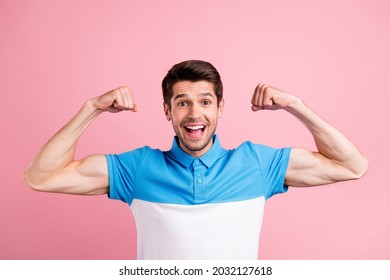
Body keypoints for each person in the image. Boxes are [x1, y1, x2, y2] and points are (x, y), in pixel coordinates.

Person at [23, 60, 368, 260]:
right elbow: (42, 176)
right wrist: (91, 109)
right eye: (182, 102)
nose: (193, 113)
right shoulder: (137, 169)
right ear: (167, 111)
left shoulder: (258, 165)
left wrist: (296, 106)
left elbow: (352, 165)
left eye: (205, 102)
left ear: (220, 108)